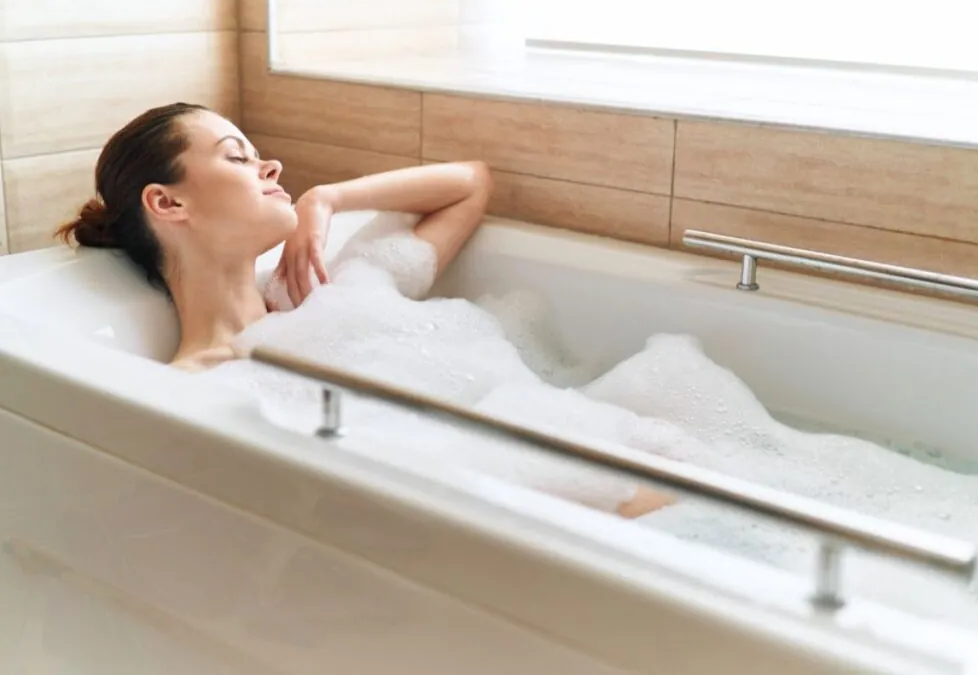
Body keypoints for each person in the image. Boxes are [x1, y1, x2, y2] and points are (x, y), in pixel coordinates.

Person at [55, 102, 674, 518]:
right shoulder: (188, 391)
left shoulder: (329, 293)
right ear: (167, 204)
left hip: (633, 499)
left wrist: (328, 198)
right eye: (237, 156)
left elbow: (471, 183)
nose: (270, 167)